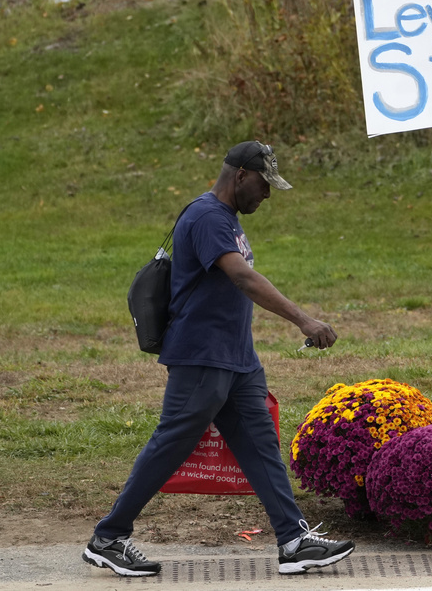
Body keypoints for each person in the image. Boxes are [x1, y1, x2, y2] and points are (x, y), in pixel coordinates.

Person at [82, 141, 353, 577]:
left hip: (236, 358)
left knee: (261, 446)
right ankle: (109, 537)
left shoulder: (224, 217)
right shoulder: (207, 216)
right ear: (241, 175)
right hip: (201, 355)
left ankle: (293, 540)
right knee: (172, 442)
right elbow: (242, 277)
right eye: (265, 185)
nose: (267, 195)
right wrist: (304, 320)